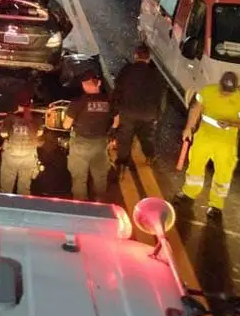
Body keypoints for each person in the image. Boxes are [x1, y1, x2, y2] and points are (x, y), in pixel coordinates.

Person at [174, 71, 240, 221]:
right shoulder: (208, 91)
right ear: (220, 85)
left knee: (223, 174)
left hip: (226, 144)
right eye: (223, 90)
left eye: (228, 92)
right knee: (195, 167)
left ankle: (216, 205)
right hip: (204, 138)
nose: (225, 94)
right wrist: (189, 127)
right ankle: (189, 193)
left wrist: (232, 124)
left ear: (236, 89)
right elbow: (196, 109)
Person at [63, 71, 119, 202]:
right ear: (99, 83)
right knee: (100, 177)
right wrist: (111, 131)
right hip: (100, 144)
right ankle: (101, 204)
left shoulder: (78, 103)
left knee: (79, 178)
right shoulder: (108, 101)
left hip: (80, 144)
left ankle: (81, 204)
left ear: (83, 85)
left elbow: (66, 125)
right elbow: (117, 120)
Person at [112, 43, 165, 168]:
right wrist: (158, 113)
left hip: (128, 110)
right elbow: (160, 95)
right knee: (146, 135)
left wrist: (115, 109)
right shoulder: (155, 74)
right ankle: (150, 156)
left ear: (135, 55)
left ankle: (122, 160)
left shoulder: (127, 70)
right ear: (149, 58)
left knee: (125, 136)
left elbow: (118, 90)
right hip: (148, 112)